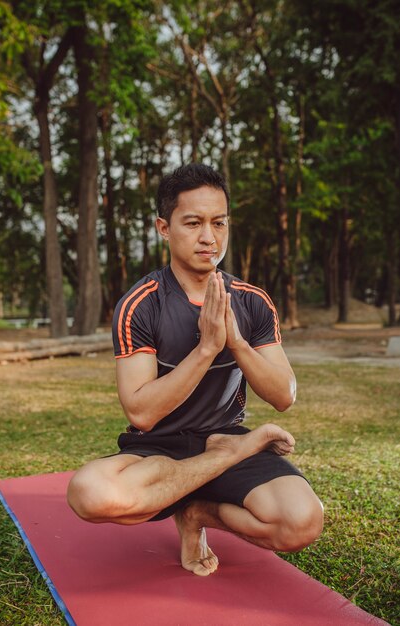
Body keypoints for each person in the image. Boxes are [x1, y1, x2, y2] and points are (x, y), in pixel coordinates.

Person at [67, 163, 323, 576]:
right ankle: (224, 460)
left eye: (218, 223)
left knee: (302, 521)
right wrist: (205, 349)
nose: (209, 237)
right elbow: (141, 413)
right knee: (90, 494)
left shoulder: (253, 301)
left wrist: (236, 342)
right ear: (164, 228)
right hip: (160, 448)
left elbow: (283, 396)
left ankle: (199, 512)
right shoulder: (141, 303)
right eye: (194, 222)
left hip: (223, 434)